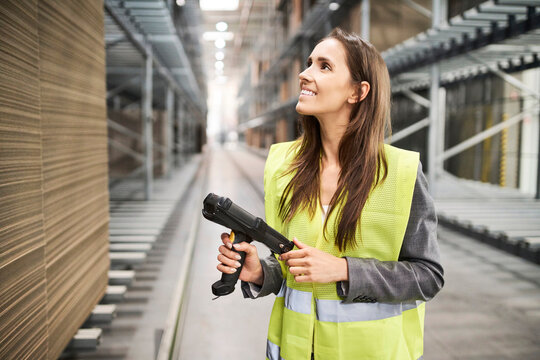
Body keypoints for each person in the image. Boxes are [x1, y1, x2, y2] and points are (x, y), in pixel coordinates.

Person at [216, 28, 444, 360]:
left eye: (324, 66)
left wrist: (345, 270)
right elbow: (294, 264)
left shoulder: (400, 172)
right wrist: (261, 273)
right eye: (309, 63)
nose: (304, 74)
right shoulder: (283, 166)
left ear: (358, 91)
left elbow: (428, 277)